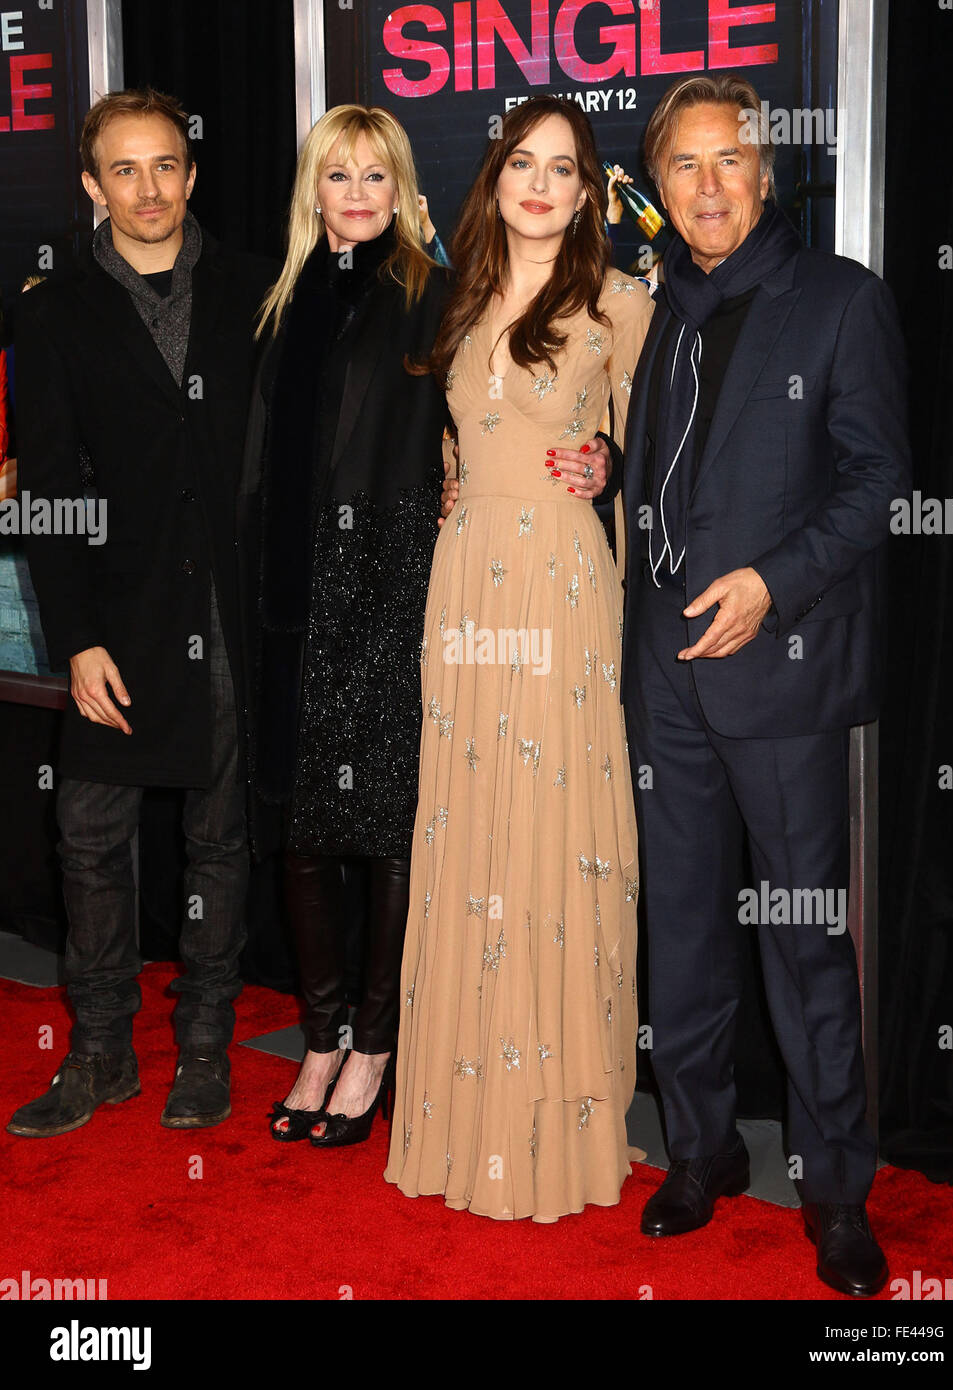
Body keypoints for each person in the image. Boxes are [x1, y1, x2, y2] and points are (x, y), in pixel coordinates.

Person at [612, 74, 910, 1295]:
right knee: (679, 931)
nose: (706, 185)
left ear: (769, 170)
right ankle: (701, 1152)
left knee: (800, 945)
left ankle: (835, 1186)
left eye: (728, 160)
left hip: (778, 671)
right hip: (662, 676)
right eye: (682, 165)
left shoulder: (840, 301)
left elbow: (876, 485)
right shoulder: (656, 310)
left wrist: (768, 588)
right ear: (661, 185)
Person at [384, 95, 653, 1221]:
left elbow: (666, 463)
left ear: (589, 192)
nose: (539, 184)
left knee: (555, 837)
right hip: (465, 580)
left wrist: (611, 469)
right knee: (470, 828)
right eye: (522, 164)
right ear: (493, 178)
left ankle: (561, 1124)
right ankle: (466, 1109)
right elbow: (447, 439)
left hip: (559, 585)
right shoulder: (449, 297)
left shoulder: (621, 303)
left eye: (564, 168)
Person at [7, 88, 273, 1137]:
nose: (149, 189)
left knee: (219, 841)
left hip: (225, 618)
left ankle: (205, 1049)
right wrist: (74, 636)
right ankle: (101, 1053)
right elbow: (52, 487)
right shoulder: (53, 309)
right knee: (88, 839)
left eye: (165, 165)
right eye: (124, 170)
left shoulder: (256, 290)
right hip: (113, 622)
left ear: (191, 172)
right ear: (89, 186)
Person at [239, 105, 451, 1148]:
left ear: (402, 189)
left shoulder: (435, 296)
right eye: (338, 175)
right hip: (290, 603)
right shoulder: (281, 304)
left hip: (389, 594)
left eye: (376, 174)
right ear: (312, 191)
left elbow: (474, 423)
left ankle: (374, 1043)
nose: (357, 192)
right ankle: (317, 1037)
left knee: (386, 826)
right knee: (303, 826)